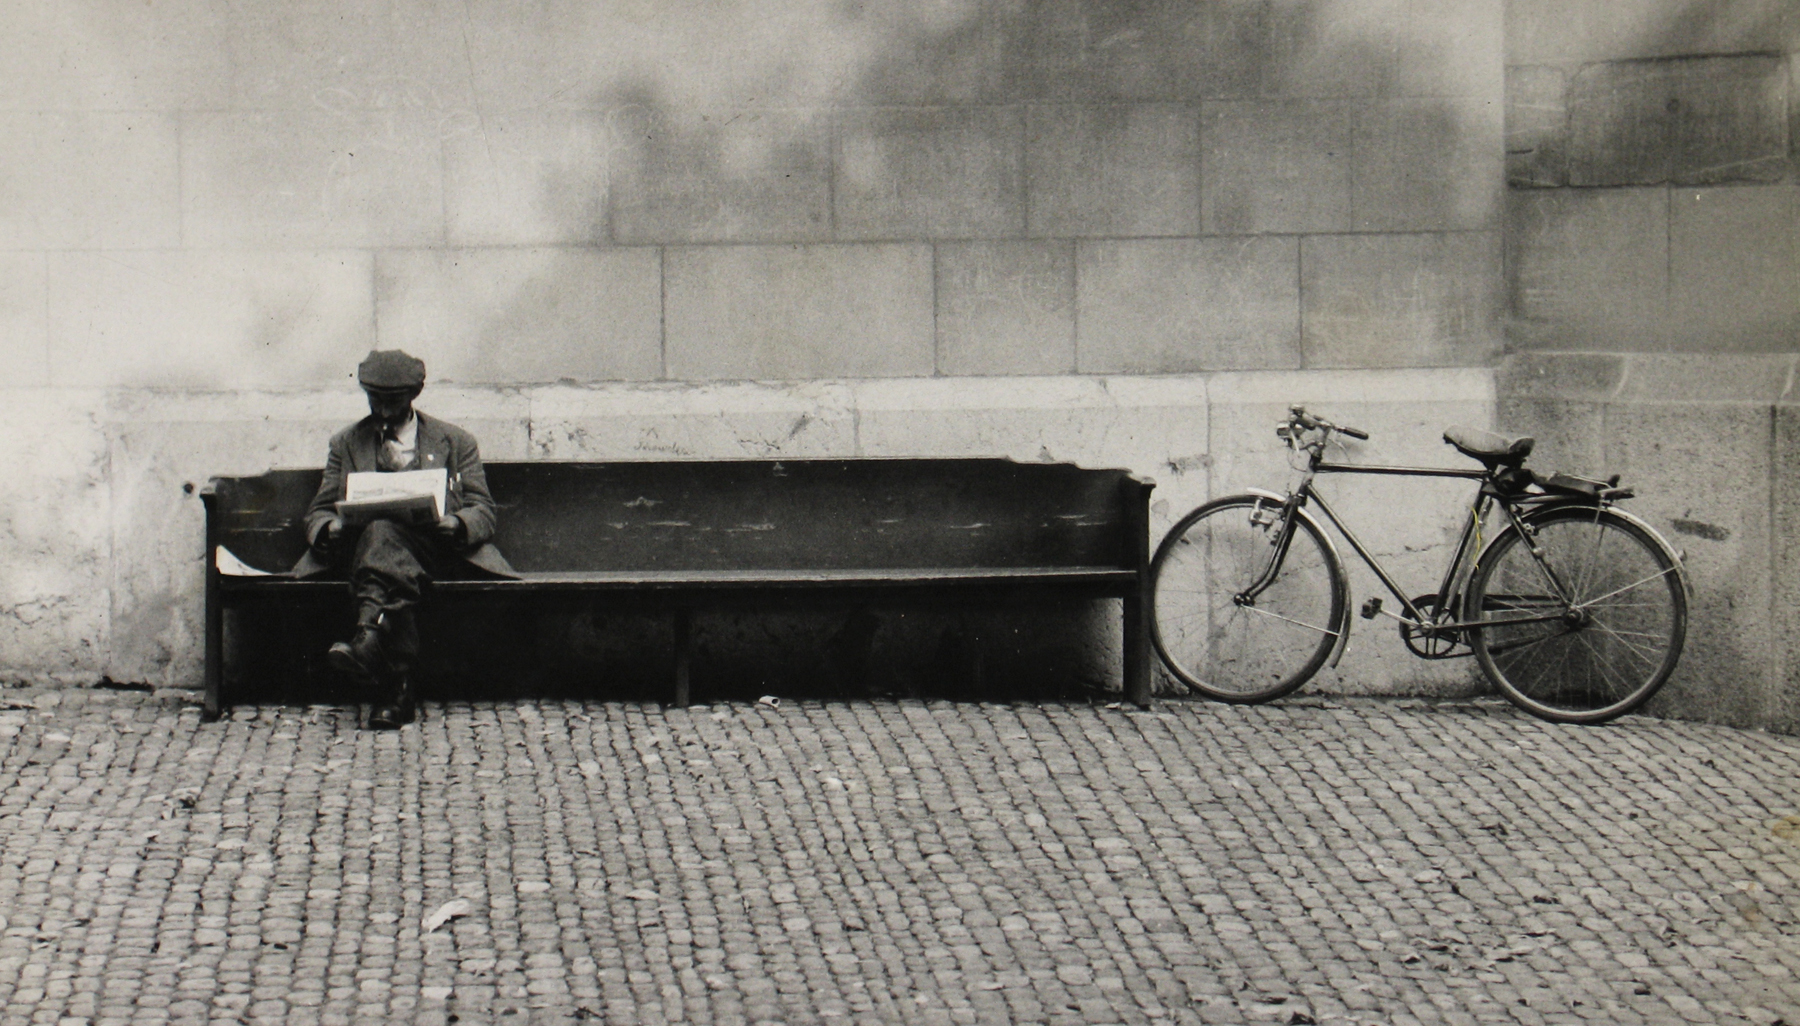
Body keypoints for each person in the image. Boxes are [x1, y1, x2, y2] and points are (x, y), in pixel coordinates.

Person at [291, 350, 514, 729]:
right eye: (375, 400)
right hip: (367, 555)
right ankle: (395, 688)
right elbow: (319, 510)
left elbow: (483, 508)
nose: (383, 411)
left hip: (434, 552)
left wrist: (458, 524)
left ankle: (368, 637)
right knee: (380, 535)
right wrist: (330, 528)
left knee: (384, 547)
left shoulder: (455, 441)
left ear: (413, 396)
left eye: (393, 402)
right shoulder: (347, 442)